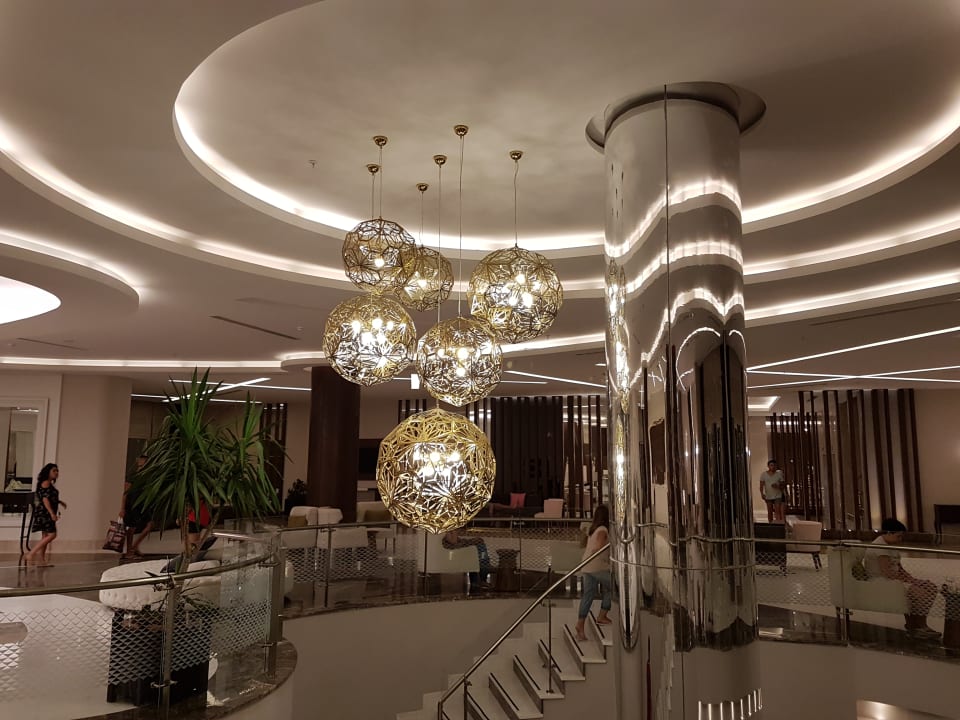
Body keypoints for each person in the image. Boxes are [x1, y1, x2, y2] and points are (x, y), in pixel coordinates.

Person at [864, 518, 939, 639]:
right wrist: (912, 582)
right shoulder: (880, 547)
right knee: (920, 593)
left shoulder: (890, 545)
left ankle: (916, 625)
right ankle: (919, 626)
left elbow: (899, 569)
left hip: (894, 580)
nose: (900, 539)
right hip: (882, 582)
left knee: (931, 587)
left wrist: (915, 580)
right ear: (889, 533)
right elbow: (888, 573)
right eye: (898, 536)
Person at [575, 504, 612, 641]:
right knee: (614, 587)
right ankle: (602, 615)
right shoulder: (603, 530)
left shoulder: (594, 529)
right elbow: (599, 547)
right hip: (598, 566)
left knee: (588, 595)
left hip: (586, 565)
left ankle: (580, 625)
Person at [24, 463, 67, 566]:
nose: (56, 473)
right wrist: (52, 513)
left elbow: (48, 497)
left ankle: (41, 560)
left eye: (57, 471)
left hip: (43, 513)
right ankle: (31, 553)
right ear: (48, 472)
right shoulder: (46, 483)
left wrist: (59, 502)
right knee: (52, 535)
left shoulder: (47, 483)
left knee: (45, 536)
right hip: (45, 513)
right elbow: (45, 499)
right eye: (54, 471)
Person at [120, 455, 154, 560]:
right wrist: (122, 508)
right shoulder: (132, 476)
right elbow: (125, 493)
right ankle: (129, 552)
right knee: (131, 528)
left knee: (150, 525)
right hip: (132, 504)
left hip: (143, 505)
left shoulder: (148, 477)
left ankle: (134, 547)